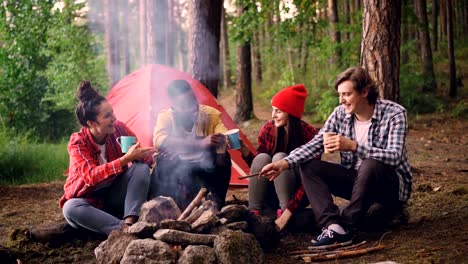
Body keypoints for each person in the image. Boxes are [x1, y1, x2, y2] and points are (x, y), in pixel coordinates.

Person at [261, 66, 412, 247]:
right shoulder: (340, 114)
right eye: (339, 95)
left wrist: (353, 146)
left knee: (371, 164)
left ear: (364, 92)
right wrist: (284, 163)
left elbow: (394, 156)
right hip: (357, 184)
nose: (341, 100)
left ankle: (347, 226)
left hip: (388, 186)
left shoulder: (395, 113)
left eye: (346, 94)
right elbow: (315, 144)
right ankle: (333, 226)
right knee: (309, 166)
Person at [60, 80, 156, 236]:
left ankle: (130, 223)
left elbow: (138, 158)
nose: (114, 118)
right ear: (91, 123)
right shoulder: (78, 142)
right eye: (107, 116)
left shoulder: (119, 129)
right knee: (70, 208)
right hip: (88, 203)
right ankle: (122, 230)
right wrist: (124, 160)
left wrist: (150, 156)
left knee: (140, 169)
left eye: (112, 112)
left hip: (114, 197)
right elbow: (91, 177)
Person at [240, 84, 319, 230]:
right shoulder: (268, 129)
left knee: (280, 157)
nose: (273, 115)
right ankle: (254, 213)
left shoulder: (310, 135)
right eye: (273, 110)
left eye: (278, 111)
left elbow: (310, 180)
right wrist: (245, 151)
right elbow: (259, 169)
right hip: (270, 194)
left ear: (291, 113)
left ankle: (285, 216)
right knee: (262, 157)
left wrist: (289, 209)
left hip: (298, 196)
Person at [151, 79, 231, 210]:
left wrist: (221, 144)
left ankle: (216, 204)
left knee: (223, 157)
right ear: (174, 107)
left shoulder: (209, 114)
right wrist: (200, 143)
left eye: (193, 101)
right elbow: (159, 140)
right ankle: (171, 206)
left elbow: (224, 136)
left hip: (204, 169)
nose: (192, 108)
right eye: (185, 105)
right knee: (164, 159)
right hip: (179, 170)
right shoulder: (166, 117)